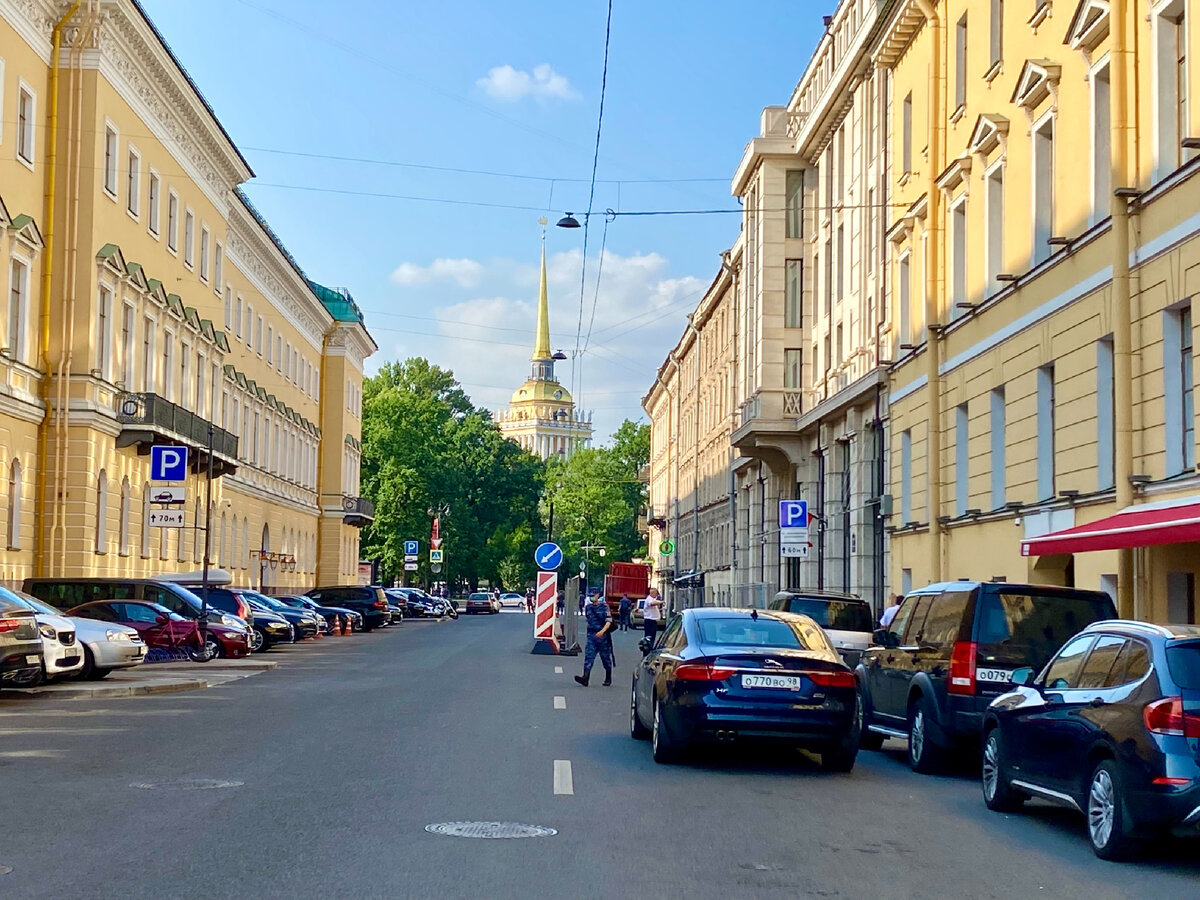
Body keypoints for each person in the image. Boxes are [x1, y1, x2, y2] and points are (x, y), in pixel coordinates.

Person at [574, 592, 614, 687]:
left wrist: (602, 631)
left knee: (605, 658)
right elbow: (588, 619)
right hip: (591, 635)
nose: (592, 597)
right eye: (590, 595)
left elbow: (608, 621)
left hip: (602, 636)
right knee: (589, 656)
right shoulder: (588, 607)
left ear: (597, 596)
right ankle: (585, 677)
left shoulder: (604, 607)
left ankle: (608, 677)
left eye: (593, 595)